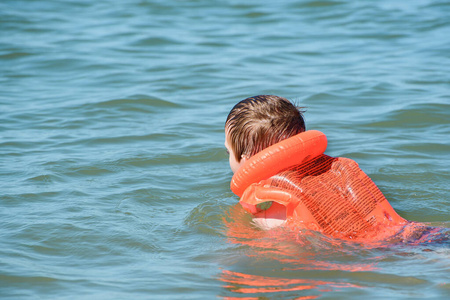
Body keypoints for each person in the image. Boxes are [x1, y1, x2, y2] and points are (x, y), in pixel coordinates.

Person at [225, 95, 409, 241]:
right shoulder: (334, 172)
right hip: (407, 234)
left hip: (366, 252)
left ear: (245, 159)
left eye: (228, 152)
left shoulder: (269, 210)